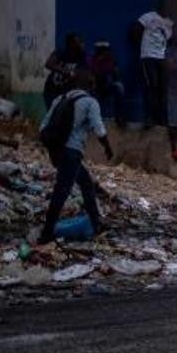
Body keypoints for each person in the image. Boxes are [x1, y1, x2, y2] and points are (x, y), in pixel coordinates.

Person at [36, 69, 114, 245]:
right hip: (72, 152)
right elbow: (99, 129)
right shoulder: (90, 102)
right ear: (88, 84)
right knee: (61, 191)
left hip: (57, 152)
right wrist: (108, 148)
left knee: (85, 183)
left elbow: (43, 127)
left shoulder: (60, 99)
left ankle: (96, 222)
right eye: (92, 82)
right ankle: (47, 232)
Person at [138, 0, 174, 126]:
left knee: (163, 89)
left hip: (162, 58)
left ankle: (162, 119)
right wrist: (144, 47)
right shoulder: (149, 16)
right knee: (151, 86)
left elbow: (171, 40)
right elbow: (135, 31)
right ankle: (150, 118)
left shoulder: (170, 22)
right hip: (148, 56)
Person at [43, 33, 87, 110]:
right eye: (79, 42)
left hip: (67, 91)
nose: (81, 44)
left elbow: (81, 71)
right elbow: (48, 64)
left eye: (81, 42)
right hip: (52, 89)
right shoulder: (61, 52)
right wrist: (66, 72)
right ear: (71, 44)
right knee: (52, 114)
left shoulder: (81, 55)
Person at [89, 41, 125, 122]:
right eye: (101, 50)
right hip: (95, 85)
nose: (104, 52)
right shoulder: (92, 59)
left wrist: (114, 70)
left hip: (107, 84)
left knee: (119, 86)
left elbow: (116, 75)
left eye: (105, 49)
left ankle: (119, 117)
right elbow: (90, 73)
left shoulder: (111, 59)